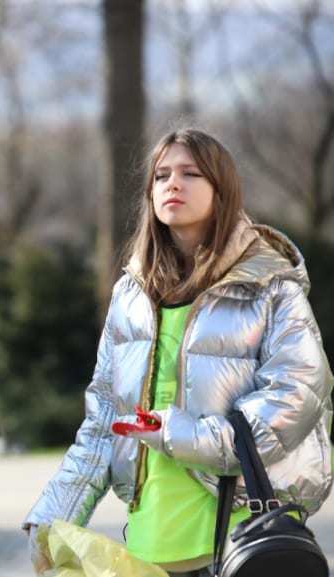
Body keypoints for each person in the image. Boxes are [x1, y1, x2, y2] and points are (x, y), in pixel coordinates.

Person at [23, 127, 333, 577]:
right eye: (161, 175)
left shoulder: (271, 289)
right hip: (149, 546)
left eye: (191, 173)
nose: (173, 183)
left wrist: (176, 434)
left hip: (239, 543)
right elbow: (103, 423)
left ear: (222, 190)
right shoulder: (130, 297)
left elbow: (295, 400)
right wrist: (54, 514)